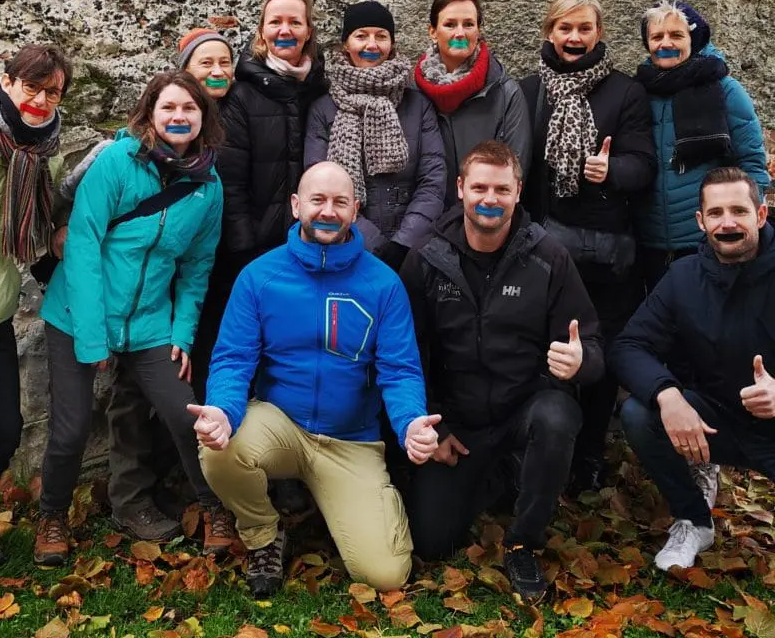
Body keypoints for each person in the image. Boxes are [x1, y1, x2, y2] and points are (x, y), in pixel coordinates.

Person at [191, 162, 439, 596]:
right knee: (219, 450)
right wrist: (224, 411)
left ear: (355, 210)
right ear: (296, 205)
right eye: (317, 200)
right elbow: (232, 359)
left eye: (340, 202)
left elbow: (400, 369)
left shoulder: (383, 284)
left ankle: (360, 507)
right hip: (281, 426)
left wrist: (410, 423)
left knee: (386, 575)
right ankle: (263, 535)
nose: (328, 211)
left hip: (350, 440)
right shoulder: (260, 277)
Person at [34, 71, 236, 565]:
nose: (179, 117)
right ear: (150, 113)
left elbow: (197, 267)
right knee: (71, 428)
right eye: (169, 107)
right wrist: (92, 339)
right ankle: (52, 516)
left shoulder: (208, 185)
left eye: (189, 109)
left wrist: (182, 333)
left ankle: (215, 508)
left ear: (204, 118)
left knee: (186, 414)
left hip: (149, 322)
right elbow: (82, 245)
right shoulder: (118, 162)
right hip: (78, 314)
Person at [401, 140, 604, 601]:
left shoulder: (549, 256)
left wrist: (581, 362)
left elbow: (591, 345)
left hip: (524, 412)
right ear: (460, 188)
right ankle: (498, 479)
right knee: (431, 542)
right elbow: (406, 354)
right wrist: (435, 424)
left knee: (557, 415)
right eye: (479, 188)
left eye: (501, 189)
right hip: (459, 423)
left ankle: (523, 542)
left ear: (518, 192)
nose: (489, 199)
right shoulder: (426, 259)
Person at [520, 0, 656, 492]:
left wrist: (611, 170)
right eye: (565, 28)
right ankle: (549, 448)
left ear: (599, 33)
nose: (574, 37)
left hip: (607, 255)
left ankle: (591, 455)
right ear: (549, 32)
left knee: (600, 354)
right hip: (544, 249)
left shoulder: (625, 93)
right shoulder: (530, 91)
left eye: (584, 28)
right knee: (548, 350)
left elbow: (644, 165)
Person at [614, 167, 775, 570]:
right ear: (700, 221)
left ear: (761, 214)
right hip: (716, 420)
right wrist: (668, 395)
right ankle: (694, 520)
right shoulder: (683, 277)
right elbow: (629, 345)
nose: (727, 223)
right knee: (640, 413)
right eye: (716, 213)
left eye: (739, 211)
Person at [192, 0, 328, 402]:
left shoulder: (320, 90)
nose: (285, 30)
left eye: (294, 22)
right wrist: (246, 252)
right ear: (262, 31)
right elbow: (230, 181)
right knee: (234, 344)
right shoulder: (242, 94)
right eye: (276, 22)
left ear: (308, 31)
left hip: (304, 244)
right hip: (248, 250)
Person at [0, 45, 72, 565]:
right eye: (31, 87)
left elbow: (40, 216)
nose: (39, 101)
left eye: (52, 92)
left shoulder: (45, 147)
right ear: (7, 80)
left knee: (0, 431)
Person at [634, 0, 769, 289]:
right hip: (649, 242)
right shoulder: (638, 92)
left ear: (693, 40)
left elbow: (752, 163)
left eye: (676, 35)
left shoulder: (724, 89)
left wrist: (747, 230)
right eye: (657, 37)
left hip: (708, 240)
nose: (665, 43)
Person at [305, 0, 445, 271]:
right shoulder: (323, 109)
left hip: (411, 253)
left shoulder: (418, 105)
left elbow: (433, 180)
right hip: (345, 247)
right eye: (361, 36)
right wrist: (374, 245)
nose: (372, 45)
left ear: (391, 44)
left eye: (381, 36)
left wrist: (403, 244)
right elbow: (318, 182)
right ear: (346, 45)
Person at [414, 0, 532, 207]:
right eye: (450, 24)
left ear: (478, 30)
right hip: (426, 219)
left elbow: (515, 171)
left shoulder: (506, 93)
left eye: (468, 24)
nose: (460, 34)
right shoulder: (412, 92)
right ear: (433, 31)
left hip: (483, 216)